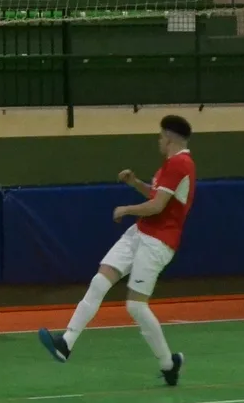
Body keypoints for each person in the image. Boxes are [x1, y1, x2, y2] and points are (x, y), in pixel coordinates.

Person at [37, 115, 195, 386]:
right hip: (140, 233)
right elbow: (157, 196)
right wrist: (135, 183)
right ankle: (66, 342)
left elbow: (157, 206)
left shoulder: (180, 164)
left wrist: (126, 209)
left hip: (158, 242)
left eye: (160, 136)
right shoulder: (171, 165)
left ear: (169, 137)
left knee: (135, 305)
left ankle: (168, 364)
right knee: (100, 280)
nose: (158, 141)